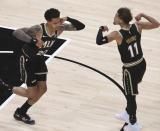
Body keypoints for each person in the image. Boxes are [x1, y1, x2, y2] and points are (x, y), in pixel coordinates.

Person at [0, 8, 85, 125]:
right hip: (28, 61)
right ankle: (5, 87)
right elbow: (17, 32)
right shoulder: (38, 29)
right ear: (48, 21)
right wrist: (33, 40)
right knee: (31, 93)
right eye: (54, 23)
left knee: (43, 89)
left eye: (58, 22)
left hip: (39, 60)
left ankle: (21, 112)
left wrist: (68, 18)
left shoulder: (61, 27)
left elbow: (81, 26)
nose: (57, 25)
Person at [96, 7, 159, 131]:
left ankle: (133, 123)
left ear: (119, 19)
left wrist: (100, 29)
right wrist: (143, 14)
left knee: (130, 97)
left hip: (130, 70)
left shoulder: (117, 34)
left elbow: (99, 41)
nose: (114, 17)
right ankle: (126, 114)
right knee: (131, 92)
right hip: (141, 64)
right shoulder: (138, 26)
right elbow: (157, 24)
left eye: (115, 16)